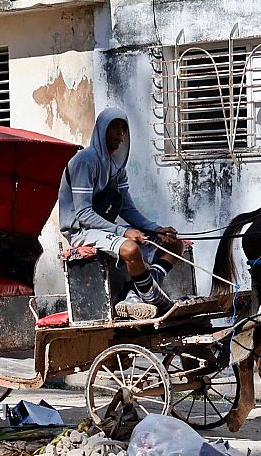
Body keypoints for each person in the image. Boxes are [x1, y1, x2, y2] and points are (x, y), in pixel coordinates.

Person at [58, 108, 186, 319]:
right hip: (80, 231)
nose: (120, 133)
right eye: (114, 127)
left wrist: (156, 229)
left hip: (103, 228)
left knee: (174, 245)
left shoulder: (118, 167)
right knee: (130, 249)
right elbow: (83, 214)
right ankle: (155, 299)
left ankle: (136, 291)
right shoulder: (85, 161)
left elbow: (127, 208)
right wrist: (123, 232)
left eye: (123, 128)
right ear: (101, 130)